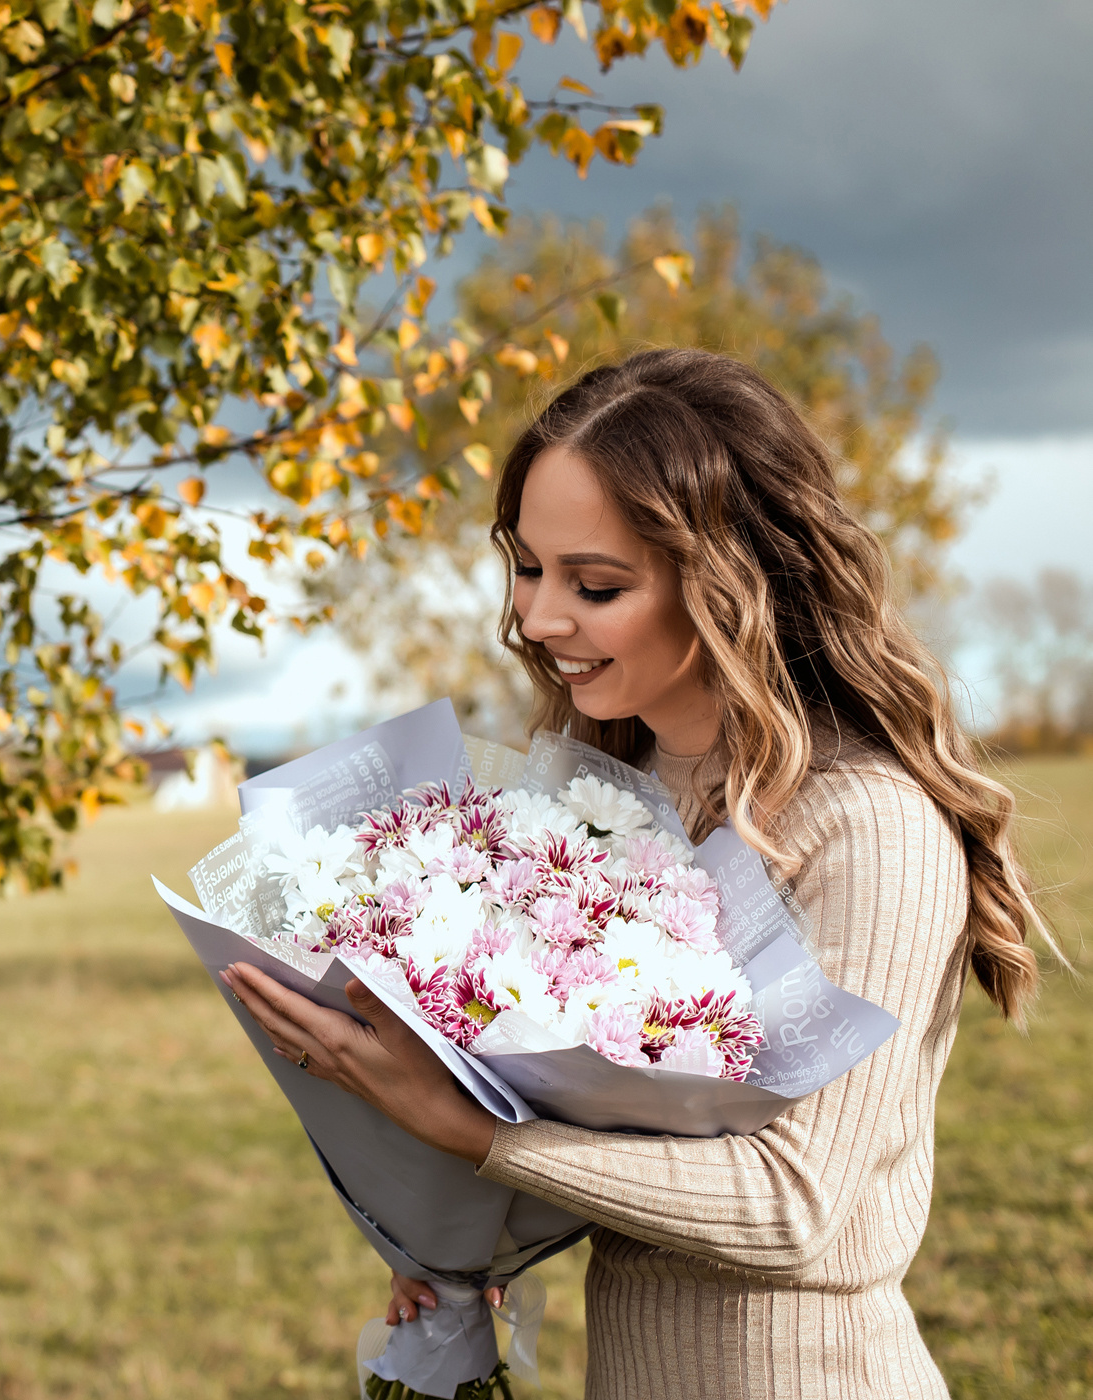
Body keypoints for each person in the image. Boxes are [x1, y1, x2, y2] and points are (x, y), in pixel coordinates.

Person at [223, 348, 1047, 1399]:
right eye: (527, 566)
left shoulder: (868, 822)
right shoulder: (603, 795)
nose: (538, 618)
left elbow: (795, 1204)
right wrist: (451, 1231)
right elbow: (610, 1121)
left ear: (727, 581)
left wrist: (471, 1133)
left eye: (594, 583)